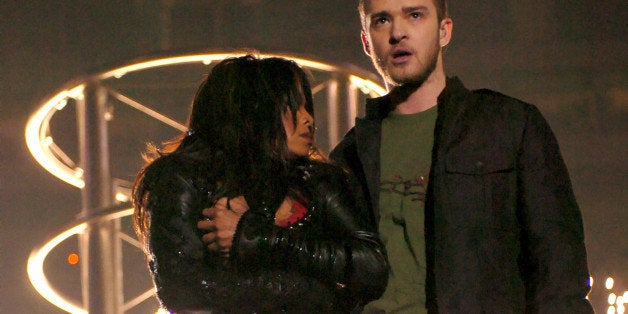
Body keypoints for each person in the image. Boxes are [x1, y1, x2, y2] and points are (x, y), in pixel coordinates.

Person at [328, 0, 594, 312]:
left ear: (444, 30)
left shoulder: (509, 126)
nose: (398, 32)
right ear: (366, 42)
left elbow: (559, 275)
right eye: (382, 20)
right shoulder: (349, 157)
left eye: (414, 15)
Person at [133, 55, 388, 313]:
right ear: (255, 109)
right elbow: (183, 291)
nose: (308, 119)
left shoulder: (320, 181)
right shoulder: (182, 178)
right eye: (293, 107)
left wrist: (259, 239)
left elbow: (372, 268)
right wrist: (311, 292)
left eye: (307, 107)